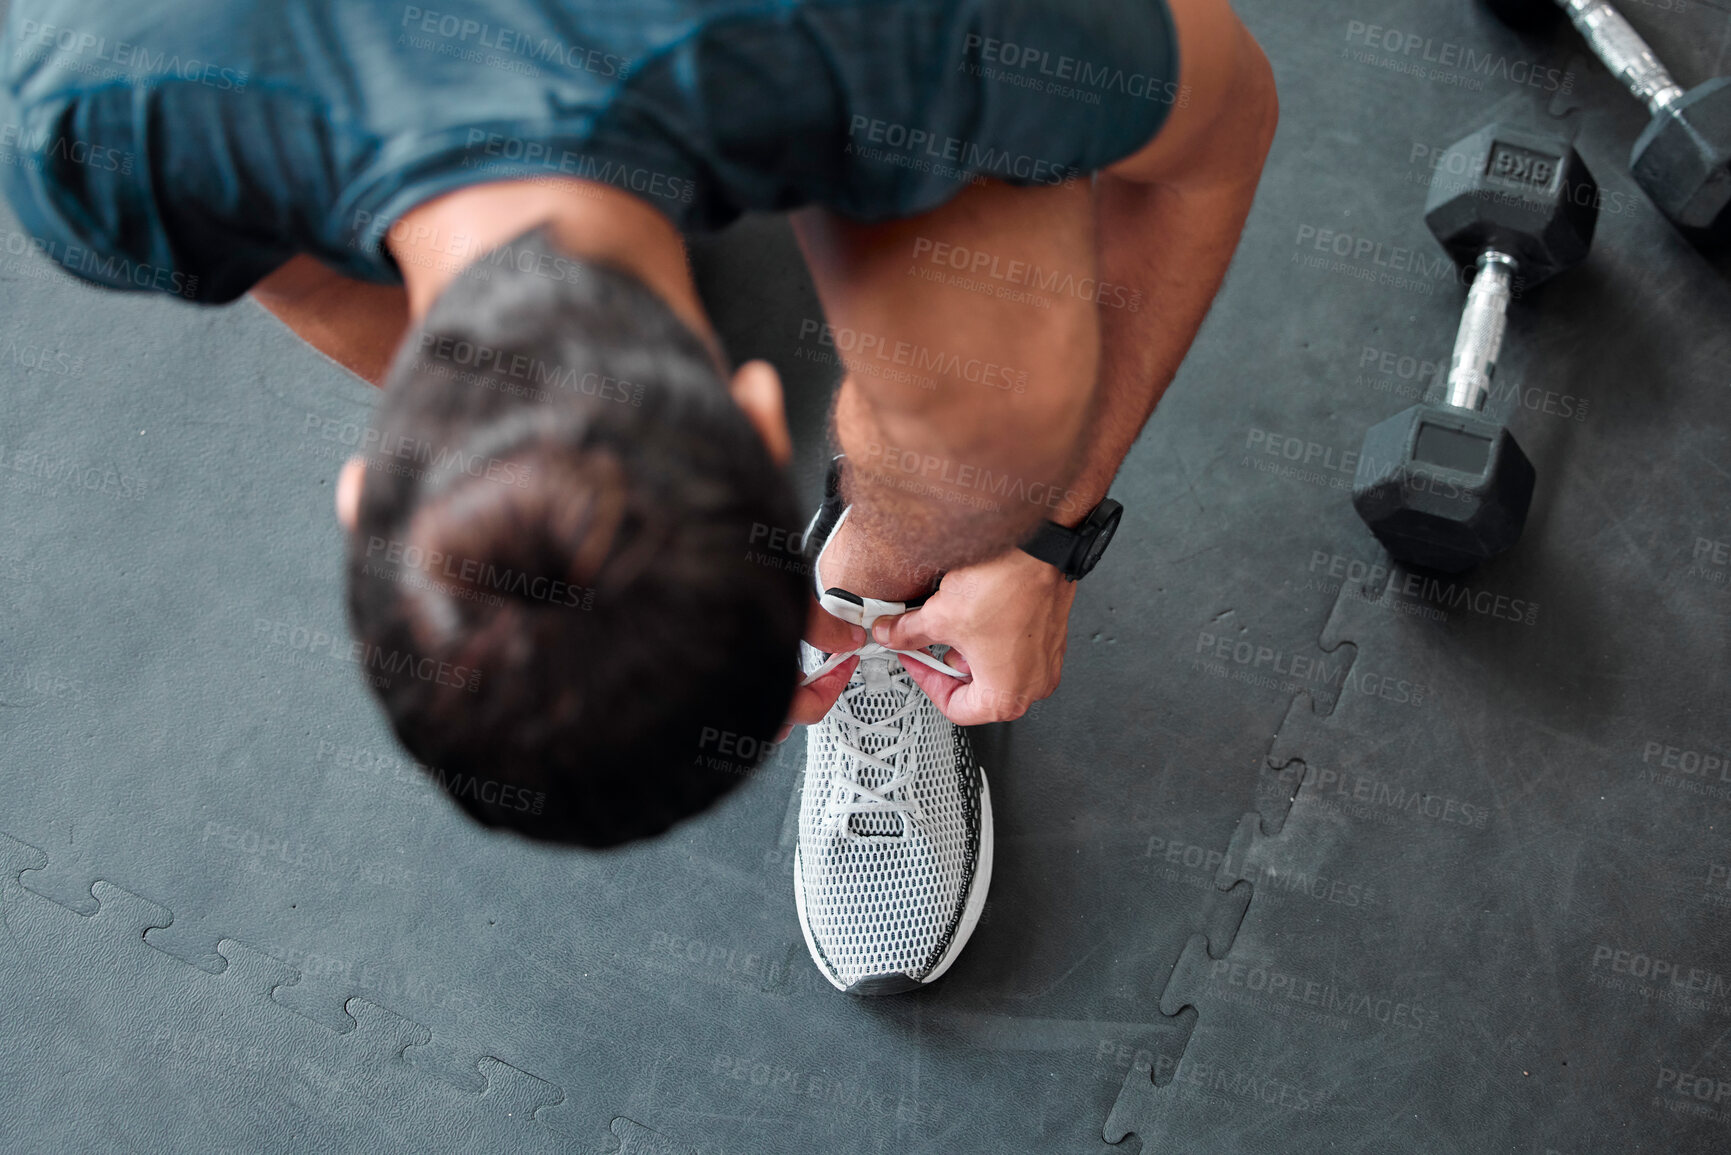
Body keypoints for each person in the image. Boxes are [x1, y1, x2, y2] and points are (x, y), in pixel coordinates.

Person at [0, 0, 1276, 994]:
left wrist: (1037, 535)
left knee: (990, 415)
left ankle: (897, 571)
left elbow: (1216, 145)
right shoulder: (113, 131)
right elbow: (326, 285)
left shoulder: (923, 35)